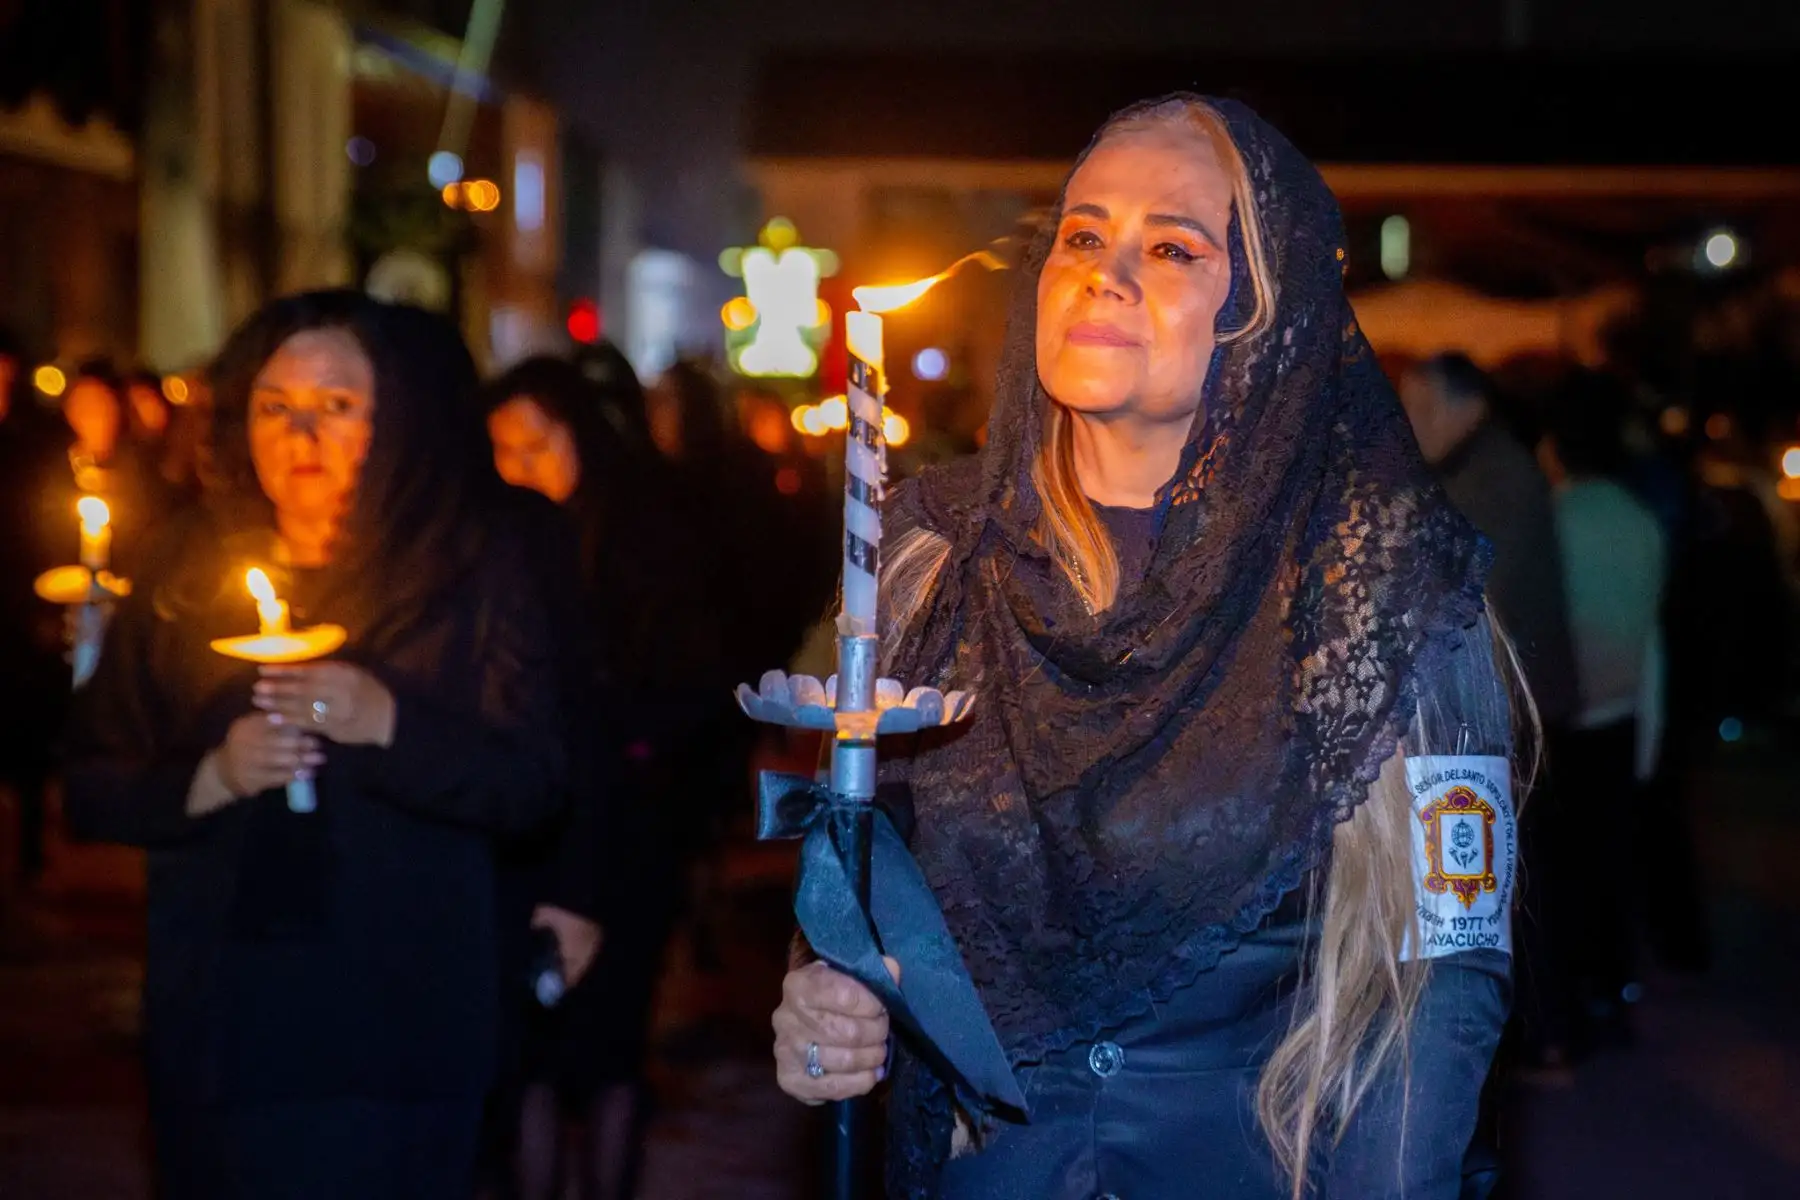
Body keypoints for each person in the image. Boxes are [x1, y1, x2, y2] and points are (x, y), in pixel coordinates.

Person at [771, 94, 1522, 1199]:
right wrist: (821, 996)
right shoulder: (931, 560)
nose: (1103, 272)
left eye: (1170, 246)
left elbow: (1444, 986)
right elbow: (866, 859)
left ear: (1265, 309)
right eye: (1082, 234)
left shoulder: (1380, 588)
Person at [62, 291, 567, 1199]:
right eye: (273, 405)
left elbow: (532, 783)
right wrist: (209, 779)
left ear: (398, 418)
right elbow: (94, 782)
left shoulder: (472, 568)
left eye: (338, 406)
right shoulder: (185, 565)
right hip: (227, 1019)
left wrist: (388, 724)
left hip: (402, 1020)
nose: (302, 433)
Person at [485, 354, 705, 1200]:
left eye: (536, 445)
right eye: (499, 450)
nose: (517, 469)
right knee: (531, 1055)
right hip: (530, 829)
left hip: (628, 838)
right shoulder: (499, 547)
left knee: (610, 1048)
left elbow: (684, 683)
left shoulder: (642, 539)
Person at [1537, 371, 1669, 1041]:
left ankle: (1574, 999)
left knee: (1563, 870)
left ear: (1557, 447)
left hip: (1565, 714)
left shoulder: (1555, 519)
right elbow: (1652, 633)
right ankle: (1613, 989)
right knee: (1609, 860)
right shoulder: (1639, 520)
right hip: (1621, 712)